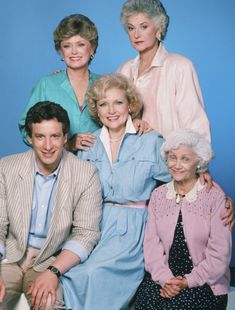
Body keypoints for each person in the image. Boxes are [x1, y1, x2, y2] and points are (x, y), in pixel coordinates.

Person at [61, 74, 171, 310]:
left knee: (92, 273)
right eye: (103, 104)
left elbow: (179, 179)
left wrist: (206, 181)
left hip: (132, 229)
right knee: (67, 275)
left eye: (118, 103)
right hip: (94, 225)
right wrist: (68, 144)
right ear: (96, 110)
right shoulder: (89, 145)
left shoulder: (151, 140)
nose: (111, 110)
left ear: (130, 105)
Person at [0, 101, 102, 310]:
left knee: (49, 304)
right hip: (9, 257)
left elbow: (86, 233)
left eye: (55, 136)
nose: (48, 146)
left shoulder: (86, 173)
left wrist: (54, 271)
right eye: (40, 137)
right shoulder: (6, 167)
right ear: (30, 138)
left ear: (65, 138)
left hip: (49, 260)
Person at [135, 129, 231, 310]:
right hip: (165, 280)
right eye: (173, 158)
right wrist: (165, 279)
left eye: (185, 159)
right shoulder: (158, 195)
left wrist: (188, 281)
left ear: (199, 162)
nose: (177, 165)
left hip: (204, 283)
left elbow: (220, 254)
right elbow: (151, 246)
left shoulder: (215, 197)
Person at [117, 0, 211, 142]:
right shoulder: (124, 70)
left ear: (159, 28)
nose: (136, 34)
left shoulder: (180, 66)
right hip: (131, 160)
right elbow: (116, 120)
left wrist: (193, 161)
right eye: (131, 28)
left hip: (170, 159)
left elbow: (195, 123)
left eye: (144, 27)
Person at [18, 13, 100, 152]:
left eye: (80, 44)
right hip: (57, 168)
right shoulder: (46, 85)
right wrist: (64, 145)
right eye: (67, 46)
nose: (74, 51)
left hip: (99, 166)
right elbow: (26, 128)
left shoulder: (104, 84)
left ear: (92, 48)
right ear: (60, 51)